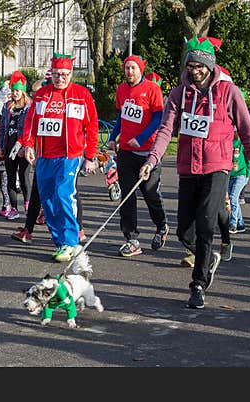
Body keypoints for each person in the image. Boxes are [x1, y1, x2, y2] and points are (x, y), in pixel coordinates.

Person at [148, 36, 250, 309]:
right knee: (183, 230)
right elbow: (166, 130)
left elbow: (248, 131)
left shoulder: (228, 92)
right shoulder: (179, 94)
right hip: (188, 168)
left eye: (201, 65)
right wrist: (153, 159)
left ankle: (198, 284)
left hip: (217, 166)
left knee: (204, 226)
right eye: (191, 65)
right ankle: (210, 254)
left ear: (210, 66)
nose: (196, 70)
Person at [17, 52, 100, 262]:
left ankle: (72, 241)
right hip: (44, 156)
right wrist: (28, 145)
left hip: (70, 155)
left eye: (64, 74)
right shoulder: (42, 95)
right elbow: (30, 123)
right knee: (47, 200)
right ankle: (61, 242)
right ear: (50, 74)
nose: (60, 78)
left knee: (63, 194)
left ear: (71, 74)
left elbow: (92, 127)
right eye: (56, 74)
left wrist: (90, 155)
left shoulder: (82, 95)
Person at [106, 54, 169, 257]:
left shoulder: (152, 89)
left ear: (140, 69)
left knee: (150, 194)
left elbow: (158, 118)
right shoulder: (122, 90)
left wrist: (141, 139)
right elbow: (120, 117)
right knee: (127, 197)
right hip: (125, 151)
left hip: (148, 153)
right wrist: (113, 137)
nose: (129, 72)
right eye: (127, 68)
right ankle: (132, 239)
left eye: (133, 68)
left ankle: (161, 226)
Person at [0, 71, 32, 221]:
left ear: (23, 91)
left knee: (24, 178)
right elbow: (2, 128)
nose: (15, 93)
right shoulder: (7, 106)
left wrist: (23, 146)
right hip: (9, 146)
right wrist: (0, 146)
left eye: (17, 90)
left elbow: (29, 129)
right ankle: (13, 208)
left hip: (23, 147)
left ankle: (28, 206)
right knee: (10, 178)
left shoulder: (29, 107)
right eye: (12, 90)